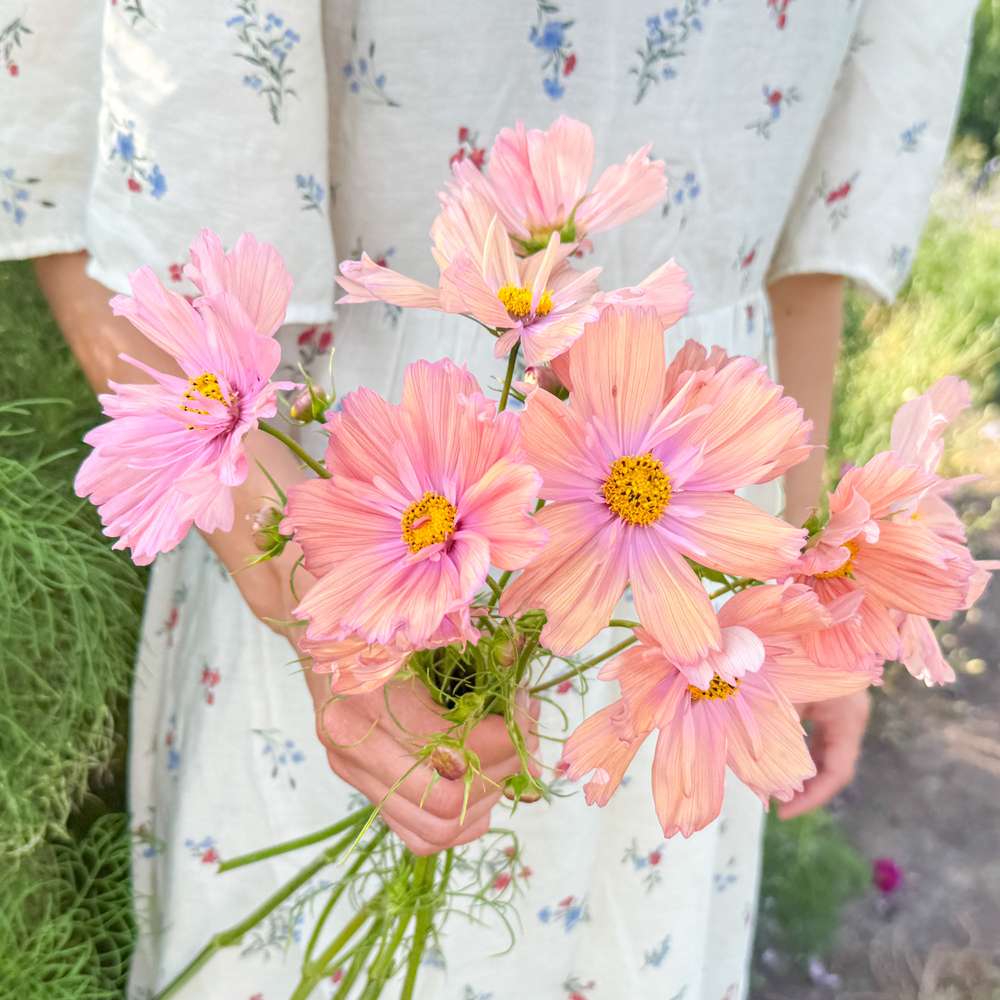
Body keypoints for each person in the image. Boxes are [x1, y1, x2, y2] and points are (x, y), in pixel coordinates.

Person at [1, 1, 975, 996]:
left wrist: (815, 611)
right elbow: (83, 164)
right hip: (337, 508)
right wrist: (320, 614)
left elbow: (807, 248)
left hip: (692, 568)